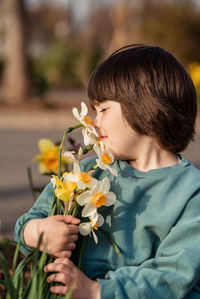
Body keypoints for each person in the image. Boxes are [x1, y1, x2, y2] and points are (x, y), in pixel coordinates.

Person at [14, 44, 200, 299]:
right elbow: (26, 224)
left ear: (147, 111)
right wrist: (38, 232)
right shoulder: (88, 173)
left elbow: (173, 274)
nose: (94, 121)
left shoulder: (190, 192)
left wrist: (96, 291)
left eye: (103, 109)